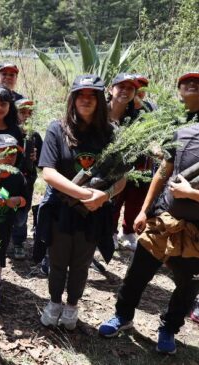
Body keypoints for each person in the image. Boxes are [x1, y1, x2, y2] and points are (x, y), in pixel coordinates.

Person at [98, 71, 199, 355]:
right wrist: (144, 210)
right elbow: (164, 171)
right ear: (178, 89)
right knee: (137, 272)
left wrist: (192, 195)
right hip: (163, 218)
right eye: (186, 81)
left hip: (197, 231)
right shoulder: (178, 126)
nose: (192, 84)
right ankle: (123, 316)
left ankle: (169, 328)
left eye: (198, 82)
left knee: (187, 285)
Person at [36, 75, 125, 330]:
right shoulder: (58, 129)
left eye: (91, 95)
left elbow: (121, 178)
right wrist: (81, 193)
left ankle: (72, 305)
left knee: (81, 263)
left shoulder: (111, 133)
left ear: (99, 100)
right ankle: (54, 302)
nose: (85, 100)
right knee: (57, 261)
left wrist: (104, 196)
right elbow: (49, 173)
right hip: (60, 211)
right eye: (80, 94)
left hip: (93, 212)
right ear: (72, 99)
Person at [107, 73, 152, 250]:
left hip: (140, 166)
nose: (138, 92)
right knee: (115, 199)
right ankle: (110, 232)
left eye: (140, 88)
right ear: (112, 89)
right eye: (137, 87)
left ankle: (129, 232)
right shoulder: (107, 111)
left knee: (135, 200)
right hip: (114, 167)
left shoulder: (147, 110)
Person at [0, 134, 27, 305]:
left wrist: (15, 201)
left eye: (13, 154)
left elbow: (24, 201)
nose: (9, 158)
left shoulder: (18, 177)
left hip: (3, 226)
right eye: (4, 153)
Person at [11, 98, 42, 260]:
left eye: (30, 113)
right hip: (8, 179)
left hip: (27, 180)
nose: (26, 116)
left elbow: (44, 161)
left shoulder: (34, 136)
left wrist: (35, 158)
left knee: (22, 213)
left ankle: (18, 242)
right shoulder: (9, 133)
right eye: (22, 112)